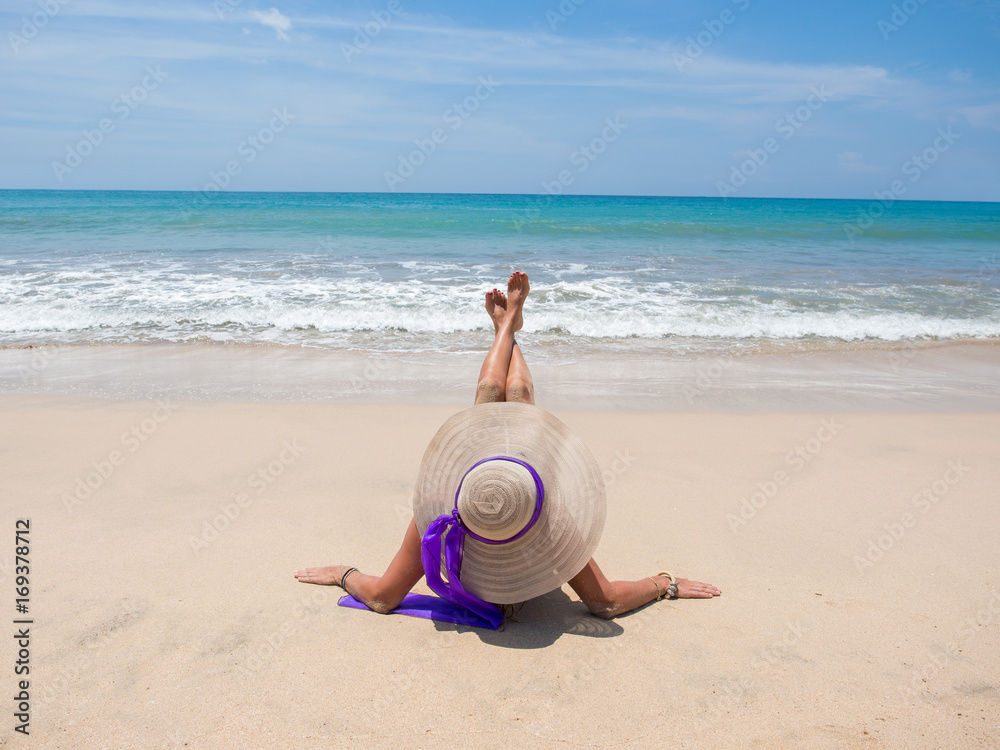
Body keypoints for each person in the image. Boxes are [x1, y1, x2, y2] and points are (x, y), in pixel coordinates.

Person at [293, 271, 720, 624]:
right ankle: (509, 326)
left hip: (497, 484)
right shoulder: (540, 520)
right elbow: (604, 602)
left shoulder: (443, 517)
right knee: (515, 397)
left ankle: (506, 327)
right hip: (499, 497)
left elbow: (382, 597)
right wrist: (663, 583)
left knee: (495, 394)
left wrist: (344, 574)